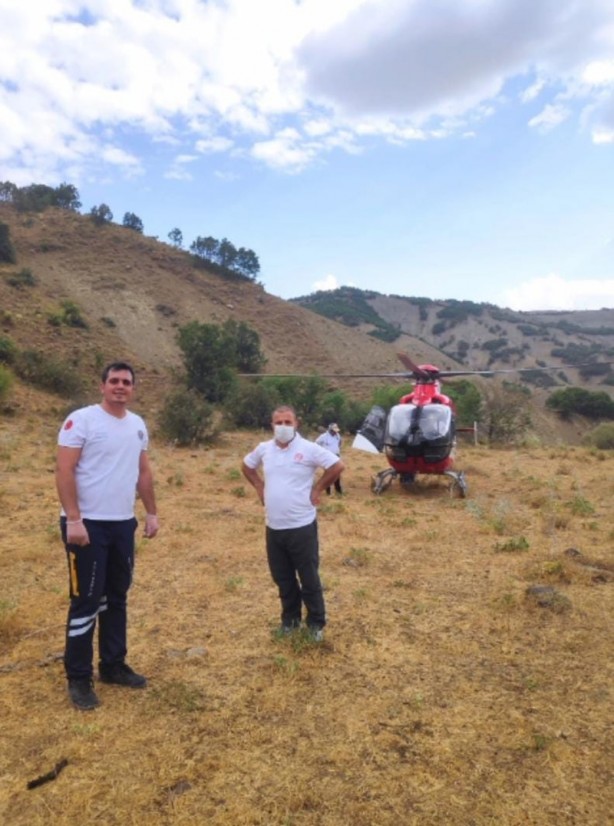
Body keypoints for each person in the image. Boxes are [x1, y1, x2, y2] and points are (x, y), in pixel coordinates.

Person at [55, 361, 159, 711]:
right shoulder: (81, 420)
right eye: (113, 381)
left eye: (126, 382)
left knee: (116, 596)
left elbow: (143, 472)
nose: (120, 386)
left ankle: (113, 665)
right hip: (87, 525)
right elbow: (64, 469)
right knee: (85, 600)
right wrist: (74, 519)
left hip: (121, 523)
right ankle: (79, 678)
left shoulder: (138, 425)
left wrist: (151, 512)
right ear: (102, 386)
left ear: (133, 388)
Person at [241, 405, 344, 641]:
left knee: (308, 578)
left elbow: (337, 466)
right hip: (274, 527)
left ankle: (315, 624)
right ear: (272, 425)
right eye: (279, 422)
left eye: (288, 422)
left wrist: (318, 488)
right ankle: (290, 621)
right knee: (283, 578)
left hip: (302, 527)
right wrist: (259, 485)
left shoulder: (309, 448)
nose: (283, 427)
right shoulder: (264, 449)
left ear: (296, 424)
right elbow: (246, 466)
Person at [316, 423, 343, 494]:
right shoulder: (323, 436)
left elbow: (340, 443)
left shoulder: (338, 436)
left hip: (336, 456)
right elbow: (316, 444)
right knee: (328, 474)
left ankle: (338, 490)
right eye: (334, 430)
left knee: (337, 473)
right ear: (330, 430)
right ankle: (328, 491)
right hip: (327, 457)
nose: (335, 432)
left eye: (336, 430)